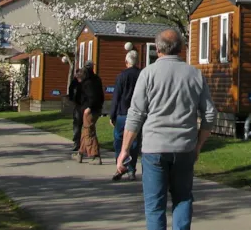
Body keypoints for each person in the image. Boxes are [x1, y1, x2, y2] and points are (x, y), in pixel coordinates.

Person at [118, 28, 216, 230]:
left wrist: (124, 150)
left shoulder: (147, 74)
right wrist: (198, 145)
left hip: (154, 148)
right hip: (184, 147)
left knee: (155, 206)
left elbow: (136, 114)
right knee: (182, 199)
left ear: (158, 48)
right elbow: (210, 114)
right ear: (180, 48)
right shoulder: (195, 74)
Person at [108, 49, 141, 181]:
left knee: (119, 141)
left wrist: (112, 114)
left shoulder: (121, 76)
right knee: (134, 142)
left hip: (122, 113)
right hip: (137, 112)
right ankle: (132, 169)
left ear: (126, 61)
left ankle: (120, 164)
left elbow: (116, 96)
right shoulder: (141, 74)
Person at [75, 65, 105, 164]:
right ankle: (80, 153)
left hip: (90, 110)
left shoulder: (87, 84)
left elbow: (92, 97)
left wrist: (89, 108)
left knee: (89, 132)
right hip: (96, 108)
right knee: (86, 131)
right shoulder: (96, 80)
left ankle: (95, 155)